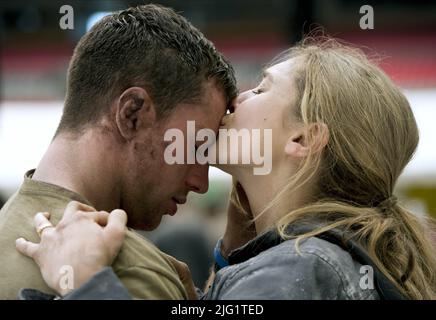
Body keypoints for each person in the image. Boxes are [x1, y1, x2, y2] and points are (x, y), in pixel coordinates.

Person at [17, 38, 436, 300]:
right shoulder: (311, 261)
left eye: (262, 87)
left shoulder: (303, 267)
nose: (237, 98)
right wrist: (234, 258)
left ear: (303, 140)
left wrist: (87, 283)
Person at [0, 4, 237, 299]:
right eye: (194, 147)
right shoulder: (128, 272)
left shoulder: (5, 229)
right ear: (132, 114)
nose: (201, 181)